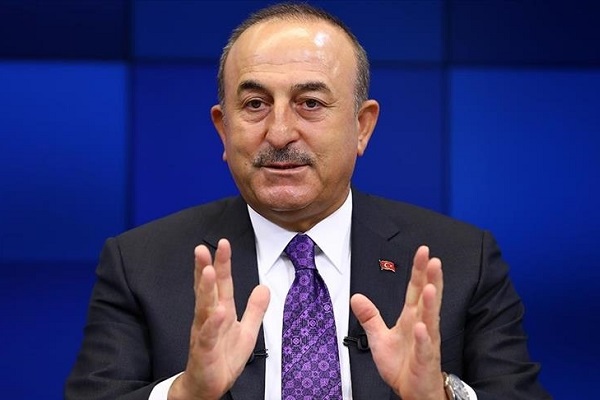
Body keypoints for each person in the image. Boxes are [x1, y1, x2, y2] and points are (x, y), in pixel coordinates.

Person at [65, 2, 551, 400]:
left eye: (310, 103)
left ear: (362, 126)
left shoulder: (463, 260)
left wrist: (438, 397)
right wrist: (186, 395)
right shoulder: (140, 263)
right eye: (255, 104)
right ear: (223, 128)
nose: (279, 133)